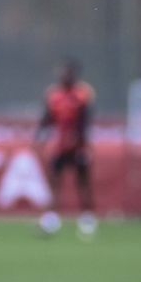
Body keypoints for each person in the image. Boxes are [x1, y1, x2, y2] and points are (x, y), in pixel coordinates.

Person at [34, 59, 97, 237]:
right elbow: (47, 118)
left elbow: (86, 120)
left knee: (83, 184)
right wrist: (39, 137)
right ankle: (51, 220)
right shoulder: (54, 95)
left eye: (67, 73)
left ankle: (87, 219)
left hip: (78, 147)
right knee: (55, 182)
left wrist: (82, 142)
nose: (64, 76)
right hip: (60, 147)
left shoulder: (82, 94)